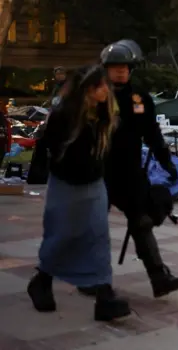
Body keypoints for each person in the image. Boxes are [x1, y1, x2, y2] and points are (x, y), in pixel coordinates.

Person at [77, 40, 178, 298]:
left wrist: (166, 161)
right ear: (106, 68)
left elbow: (151, 131)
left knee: (142, 223)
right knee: (94, 227)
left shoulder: (139, 98)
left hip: (129, 172)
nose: (121, 71)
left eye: (125, 67)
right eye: (115, 67)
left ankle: (159, 278)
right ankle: (89, 278)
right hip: (99, 171)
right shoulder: (96, 96)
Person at [27, 64, 131, 321]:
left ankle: (105, 297)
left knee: (98, 237)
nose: (107, 90)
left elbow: (109, 152)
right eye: (102, 85)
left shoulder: (105, 114)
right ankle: (42, 281)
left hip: (94, 184)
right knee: (62, 236)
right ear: (89, 89)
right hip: (67, 185)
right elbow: (52, 149)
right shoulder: (65, 115)